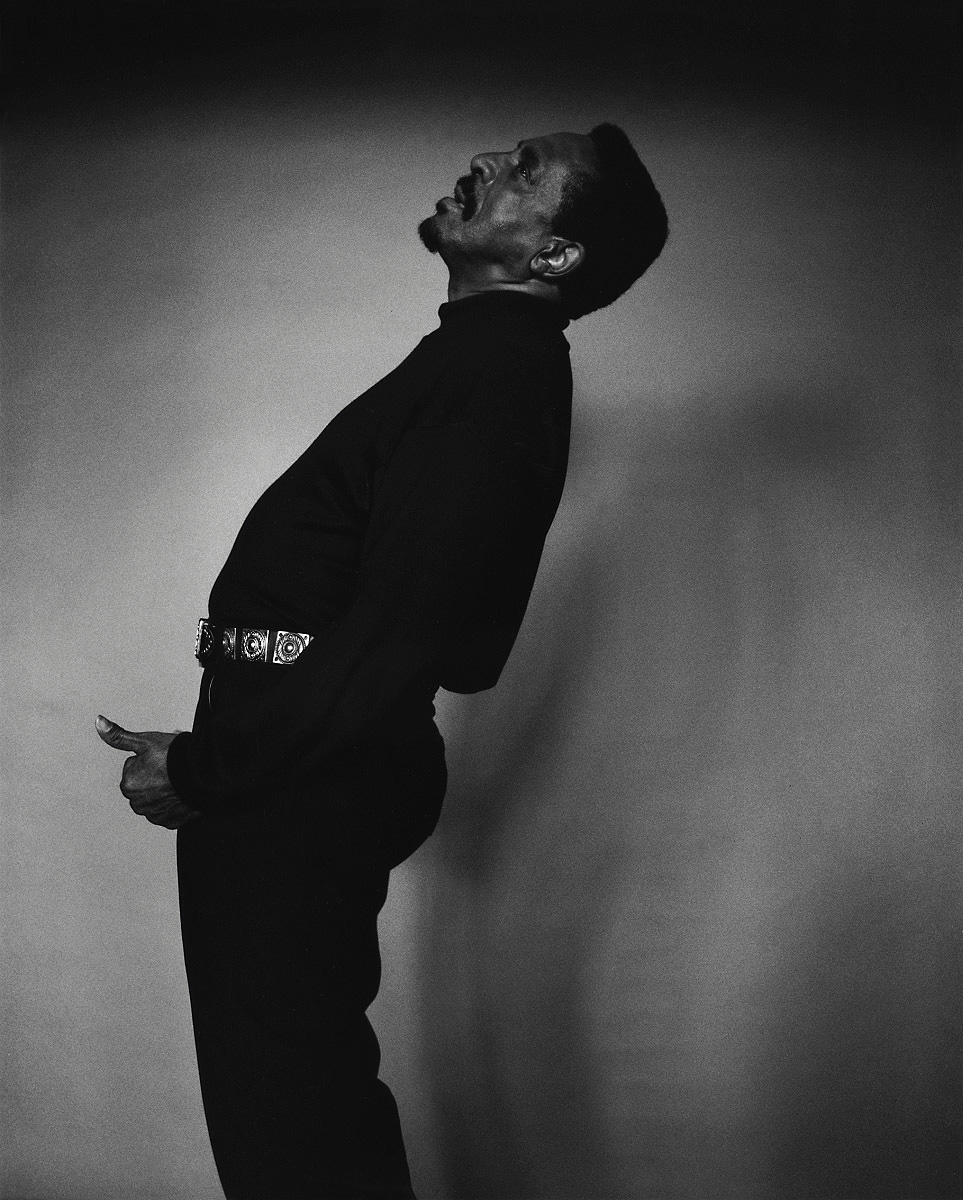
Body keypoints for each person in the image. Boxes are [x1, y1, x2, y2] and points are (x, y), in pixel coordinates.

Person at [97, 124, 667, 1199]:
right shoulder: (478, 362)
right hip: (294, 768)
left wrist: (211, 767)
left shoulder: (493, 373)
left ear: (553, 255)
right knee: (287, 1114)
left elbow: (404, 640)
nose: (489, 160)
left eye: (527, 170)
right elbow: (436, 636)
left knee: (293, 1127)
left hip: (301, 784)